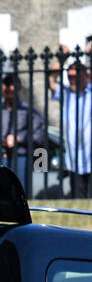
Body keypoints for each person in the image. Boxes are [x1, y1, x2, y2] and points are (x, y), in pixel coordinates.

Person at [0, 73, 45, 195]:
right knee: (0, 195)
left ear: (18, 89)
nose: (9, 96)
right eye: (6, 92)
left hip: (21, 158)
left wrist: (18, 138)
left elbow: (39, 136)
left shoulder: (28, 111)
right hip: (0, 159)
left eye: (12, 91)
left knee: (19, 195)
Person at [50, 57, 92, 198]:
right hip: (74, 161)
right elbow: (50, 80)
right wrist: (62, 59)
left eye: (74, 76)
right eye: (69, 76)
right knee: (79, 203)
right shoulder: (66, 93)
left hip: (90, 156)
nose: (71, 79)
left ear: (85, 76)